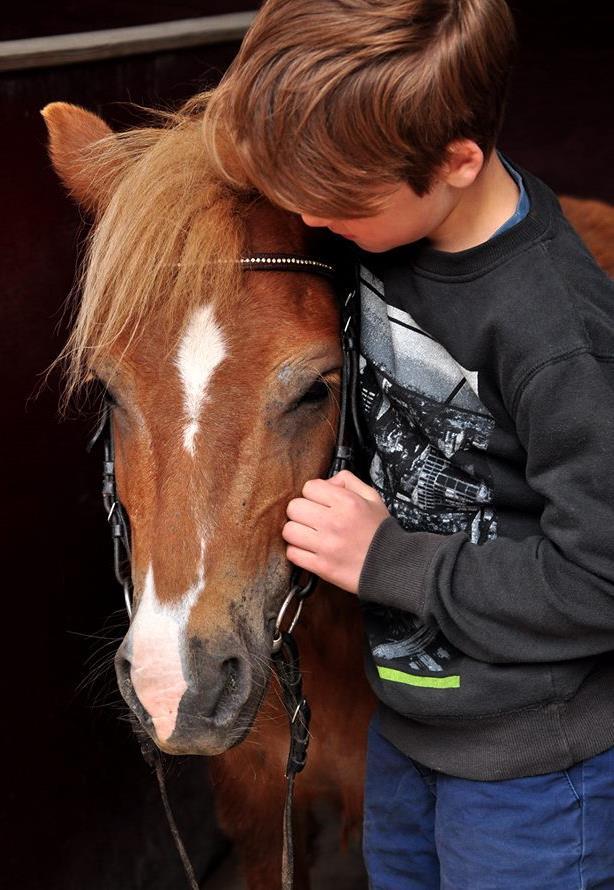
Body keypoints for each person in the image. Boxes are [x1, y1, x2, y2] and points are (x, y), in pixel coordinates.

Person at [203, 1, 614, 886]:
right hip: (411, 731)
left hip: (532, 770)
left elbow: (601, 577)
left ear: (457, 161)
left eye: (334, 197)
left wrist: (391, 561)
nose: (307, 214)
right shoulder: (382, 230)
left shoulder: (556, 335)